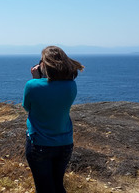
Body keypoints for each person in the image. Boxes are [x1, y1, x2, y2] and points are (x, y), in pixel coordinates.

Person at [22, 46, 84, 193]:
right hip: (65, 144)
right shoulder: (71, 85)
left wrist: (36, 79)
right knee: (57, 185)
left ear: (45, 65)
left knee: (44, 188)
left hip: (39, 144)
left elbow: (27, 107)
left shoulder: (32, 85)